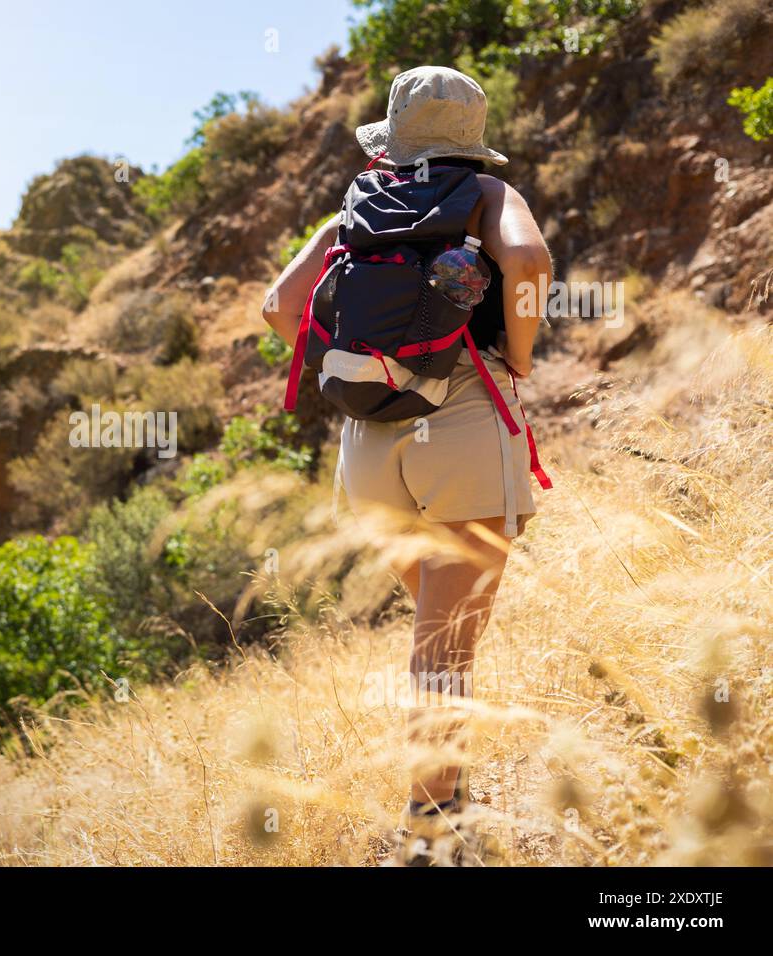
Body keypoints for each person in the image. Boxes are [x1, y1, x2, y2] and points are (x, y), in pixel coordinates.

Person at [261, 65, 553, 865]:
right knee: (446, 646)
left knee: (433, 630)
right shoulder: (490, 197)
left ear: (393, 132)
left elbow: (281, 309)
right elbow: (528, 268)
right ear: (473, 136)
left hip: (368, 450)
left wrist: (365, 376)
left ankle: (442, 802)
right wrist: (515, 360)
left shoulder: (359, 204)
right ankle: (430, 831)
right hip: (462, 419)